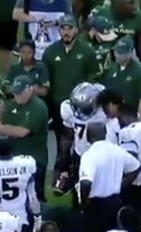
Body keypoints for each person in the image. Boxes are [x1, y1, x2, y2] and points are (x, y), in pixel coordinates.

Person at [78, 122, 140, 232]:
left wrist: (83, 202)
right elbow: (136, 167)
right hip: (114, 202)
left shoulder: (90, 155)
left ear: (88, 136)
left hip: (95, 206)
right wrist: (122, 184)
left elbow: (86, 182)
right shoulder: (117, 150)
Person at [41, 15, 100, 144]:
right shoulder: (50, 52)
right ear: (59, 30)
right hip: (58, 104)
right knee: (61, 140)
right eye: (63, 28)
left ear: (76, 30)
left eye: (70, 28)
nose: (66, 32)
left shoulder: (87, 51)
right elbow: (46, 80)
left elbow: (93, 78)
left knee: (81, 140)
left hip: (81, 104)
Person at [0, 76, 50, 204]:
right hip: (14, 158)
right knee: (17, 197)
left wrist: (9, 129)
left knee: (35, 197)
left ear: (29, 90)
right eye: (15, 93)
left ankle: (39, 221)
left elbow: (23, 132)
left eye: (20, 93)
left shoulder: (38, 107)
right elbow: (0, 128)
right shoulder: (11, 105)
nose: (17, 96)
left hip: (35, 158)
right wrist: (11, 129)